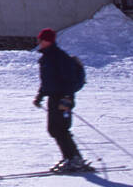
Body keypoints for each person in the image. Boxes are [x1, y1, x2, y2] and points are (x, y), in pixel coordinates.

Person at [33, 28, 92, 173]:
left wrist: (67, 98)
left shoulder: (59, 57)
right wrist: (40, 96)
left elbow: (69, 79)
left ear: (48, 40)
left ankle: (74, 159)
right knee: (54, 129)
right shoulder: (46, 57)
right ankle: (70, 157)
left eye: (41, 39)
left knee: (61, 128)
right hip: (54, 97)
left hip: (63, 98)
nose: (39, 42)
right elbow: (47, 81)